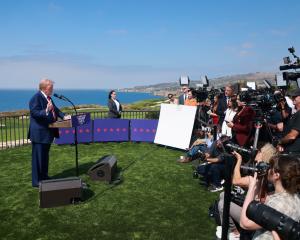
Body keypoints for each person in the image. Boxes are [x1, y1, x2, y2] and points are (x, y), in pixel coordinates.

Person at [217, 143, 277, 239]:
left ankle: (235, 232)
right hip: (252, 209)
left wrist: (239, 160)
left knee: (222, 204)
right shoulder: (263, 174)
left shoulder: (260, 178)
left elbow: (235, 181)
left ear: (264, 155)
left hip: (254, 217)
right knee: (223, 194)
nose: (257, 152)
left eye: (260, 151)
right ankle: (233, 227)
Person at [240, 154, 300, 240]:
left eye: (271, 167)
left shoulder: (278, 204)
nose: (268, 169)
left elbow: (245, 223)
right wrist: (259, 181)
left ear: (276, 175)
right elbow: (259, 202)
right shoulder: (296, 197)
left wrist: (251, 187)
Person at [28, 78, 69, 187]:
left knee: (44, 157)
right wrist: (46, 110)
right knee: (38, 159)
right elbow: (35, 113)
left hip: (47, 133)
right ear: (45, 88)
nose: (52, 89)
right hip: (39, 134)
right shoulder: (36, 97)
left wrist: (64, 116)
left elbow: (55, 109)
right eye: (51, 87)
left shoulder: (48, 98)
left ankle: (44, 176)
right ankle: (36, 182)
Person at [276, 88, 300, 153]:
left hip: (295, 153)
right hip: (289, 150)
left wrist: (280, 142)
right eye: (292, 96)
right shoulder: (295, 113)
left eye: (295, 96)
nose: (292, 98)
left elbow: (292, 136)